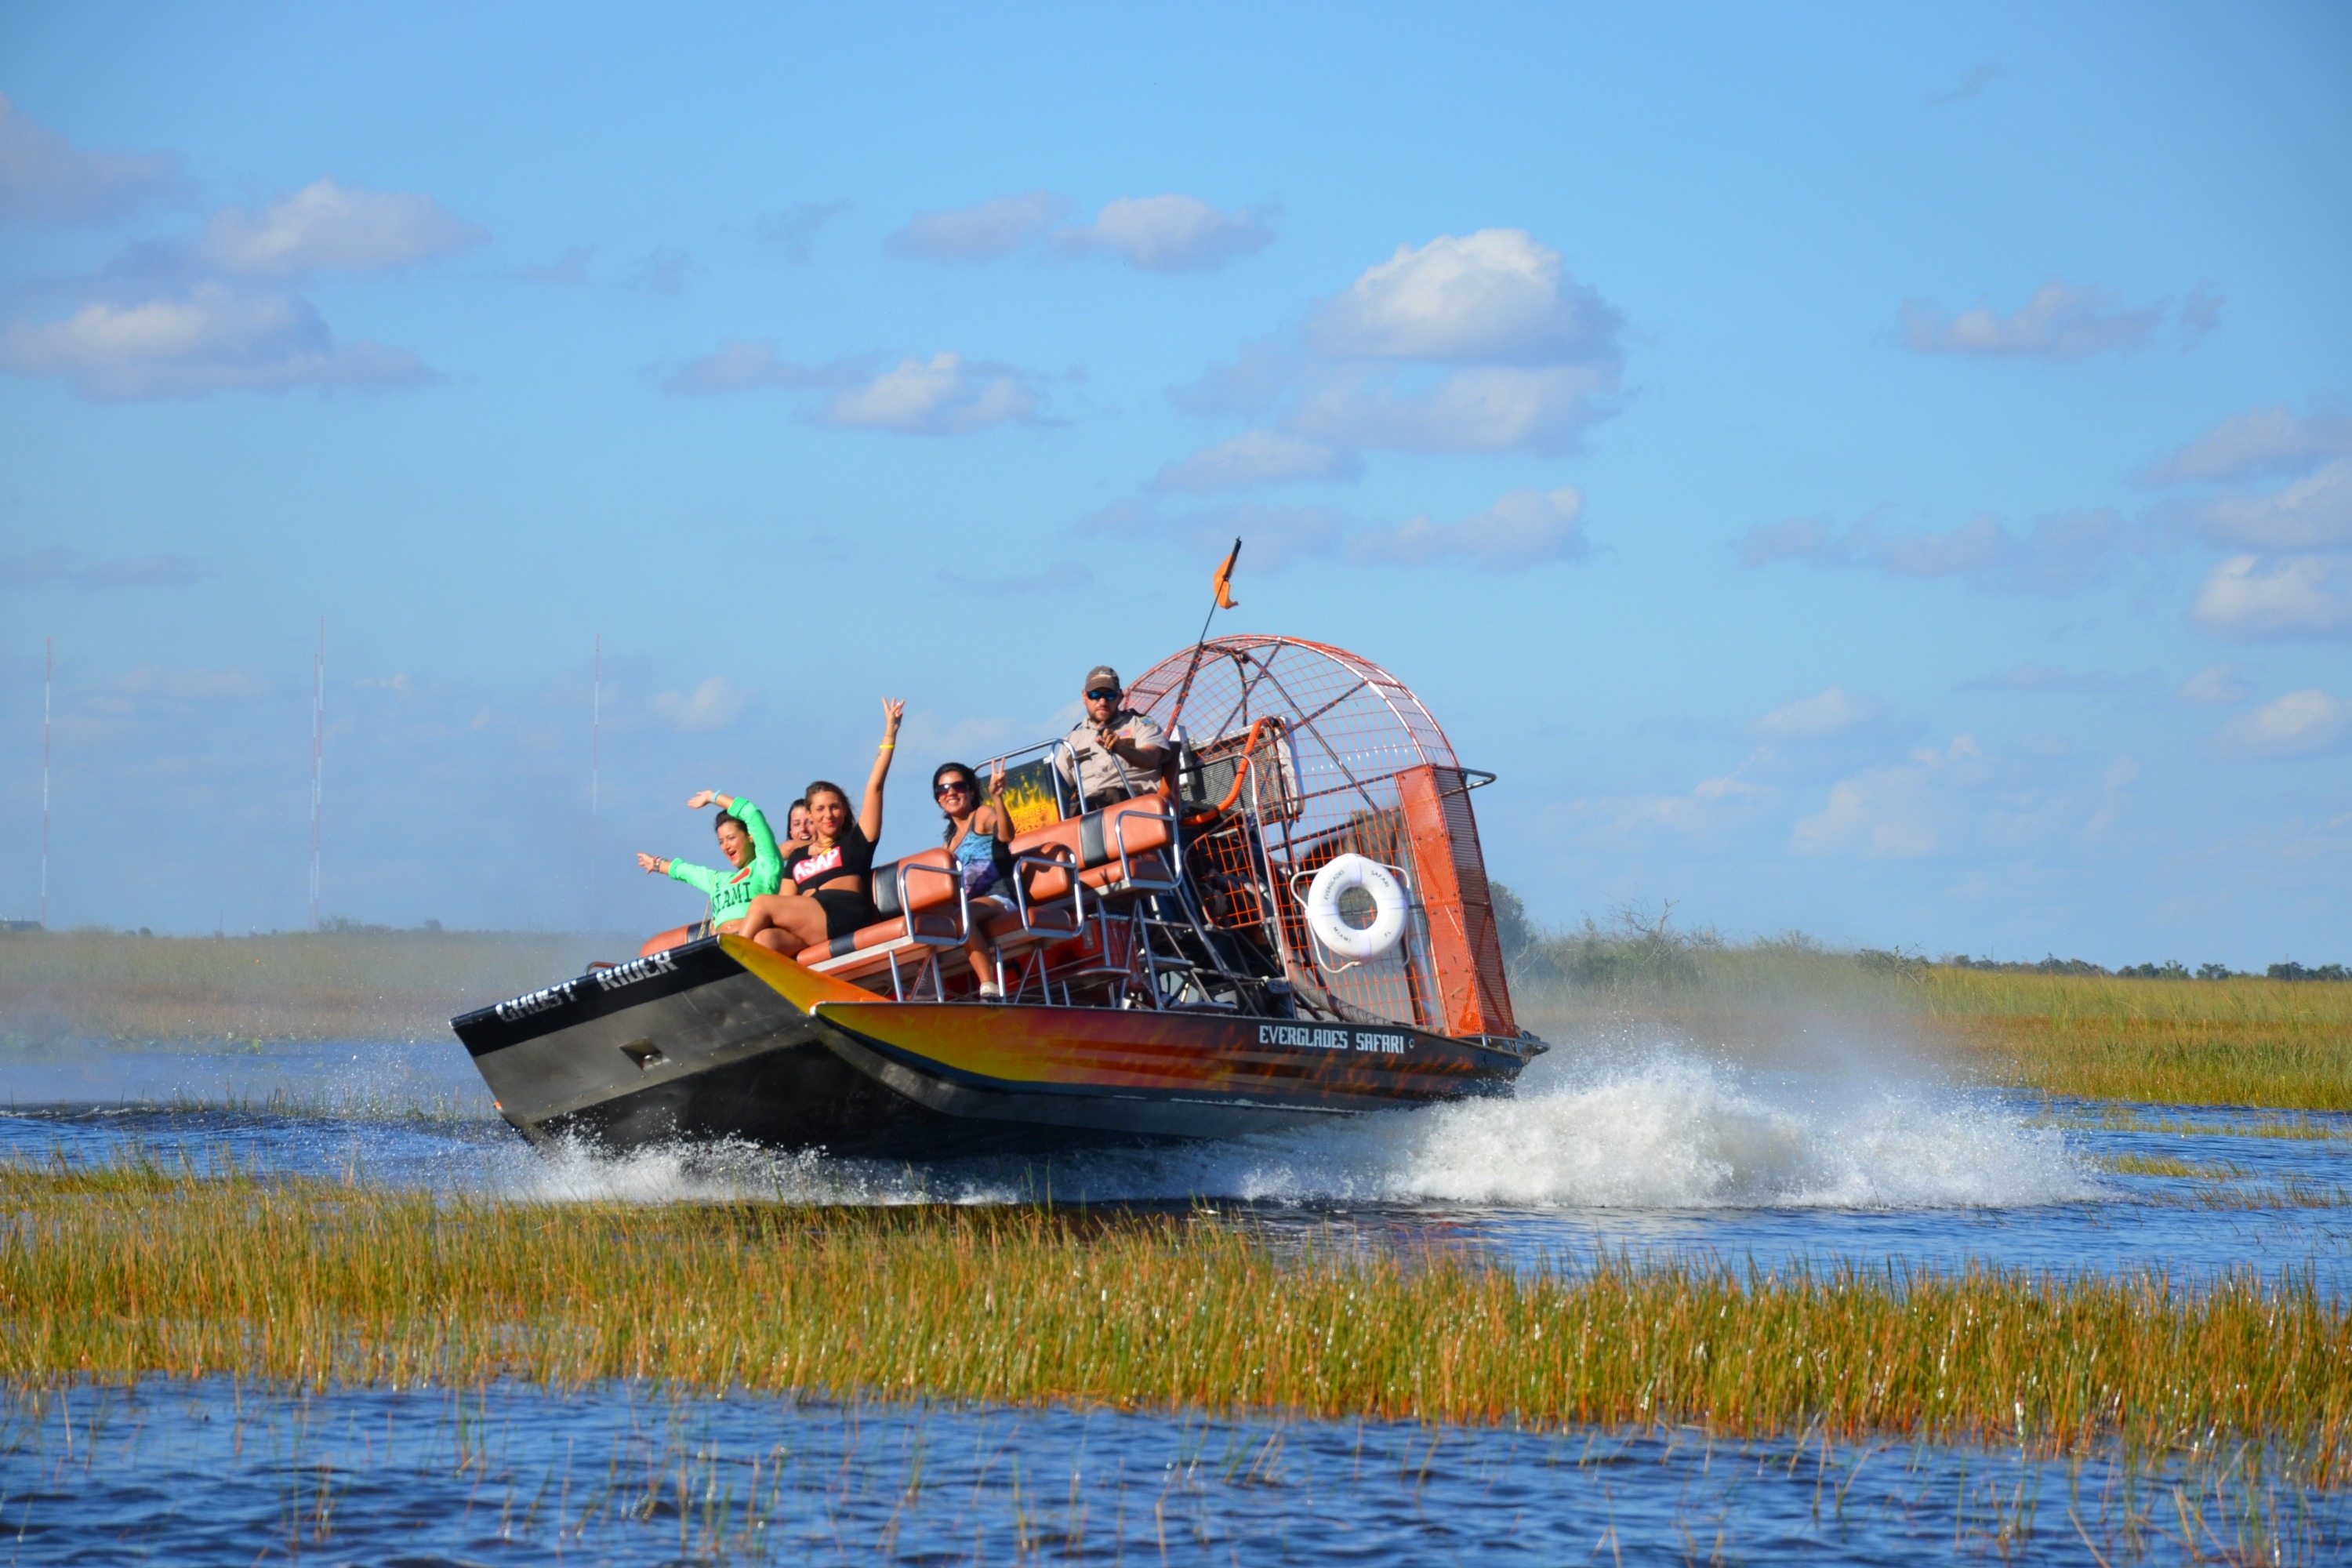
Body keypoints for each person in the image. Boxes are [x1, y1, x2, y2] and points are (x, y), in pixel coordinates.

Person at [736, 700, 904, 956]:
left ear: (845, 810)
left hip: (843, 914)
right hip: (808, 925)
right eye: (820, 810)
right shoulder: (797, 858)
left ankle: (728, 965)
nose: (829, 815)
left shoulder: (856, 841)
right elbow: (785, 901)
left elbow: (875, 786)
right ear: (811, 815)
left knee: (761, 904)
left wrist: (890, 733)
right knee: (765, 940)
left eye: (835, 807)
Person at [634, 790, 782, 935]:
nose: (726, 846)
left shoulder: (766, 866)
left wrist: (713, 797)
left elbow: (751, 813)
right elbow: (686, 872)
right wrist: (655, 864)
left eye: (731, 838)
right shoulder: (719, 880)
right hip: (719, 948)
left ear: (750, 837)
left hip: (752, 944)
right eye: (721, 842)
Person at [934, 759, 1020, 999]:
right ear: (938, 798)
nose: (950, 793)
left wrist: (998, 798)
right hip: (970, 905)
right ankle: (931, 994)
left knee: (963, 916)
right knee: (929, 921)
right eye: (943, 789)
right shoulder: (948, 846)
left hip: (1000, 898)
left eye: (958, 787)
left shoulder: (982, 815)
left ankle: (989, 986)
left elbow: (1005, 834)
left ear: (971, 791)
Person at [1055, 664, 1169, 811]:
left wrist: (1121, 748)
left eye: (1110, 695)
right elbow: (1056, 787)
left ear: (1120, 697)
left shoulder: (1141, 724)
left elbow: (1151, 757)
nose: (1102, 702)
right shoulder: (1070, 742)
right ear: (1084, 697)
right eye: (1095, 695)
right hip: (1087, 808)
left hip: (1133, 802)